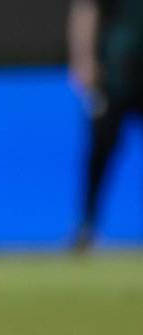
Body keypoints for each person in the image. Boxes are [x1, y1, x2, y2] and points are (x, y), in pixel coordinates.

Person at [69, 0, 143, 252]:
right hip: (114, 74)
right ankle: (87, 226)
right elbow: (86, 8)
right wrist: (83, 59)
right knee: (101, 151)